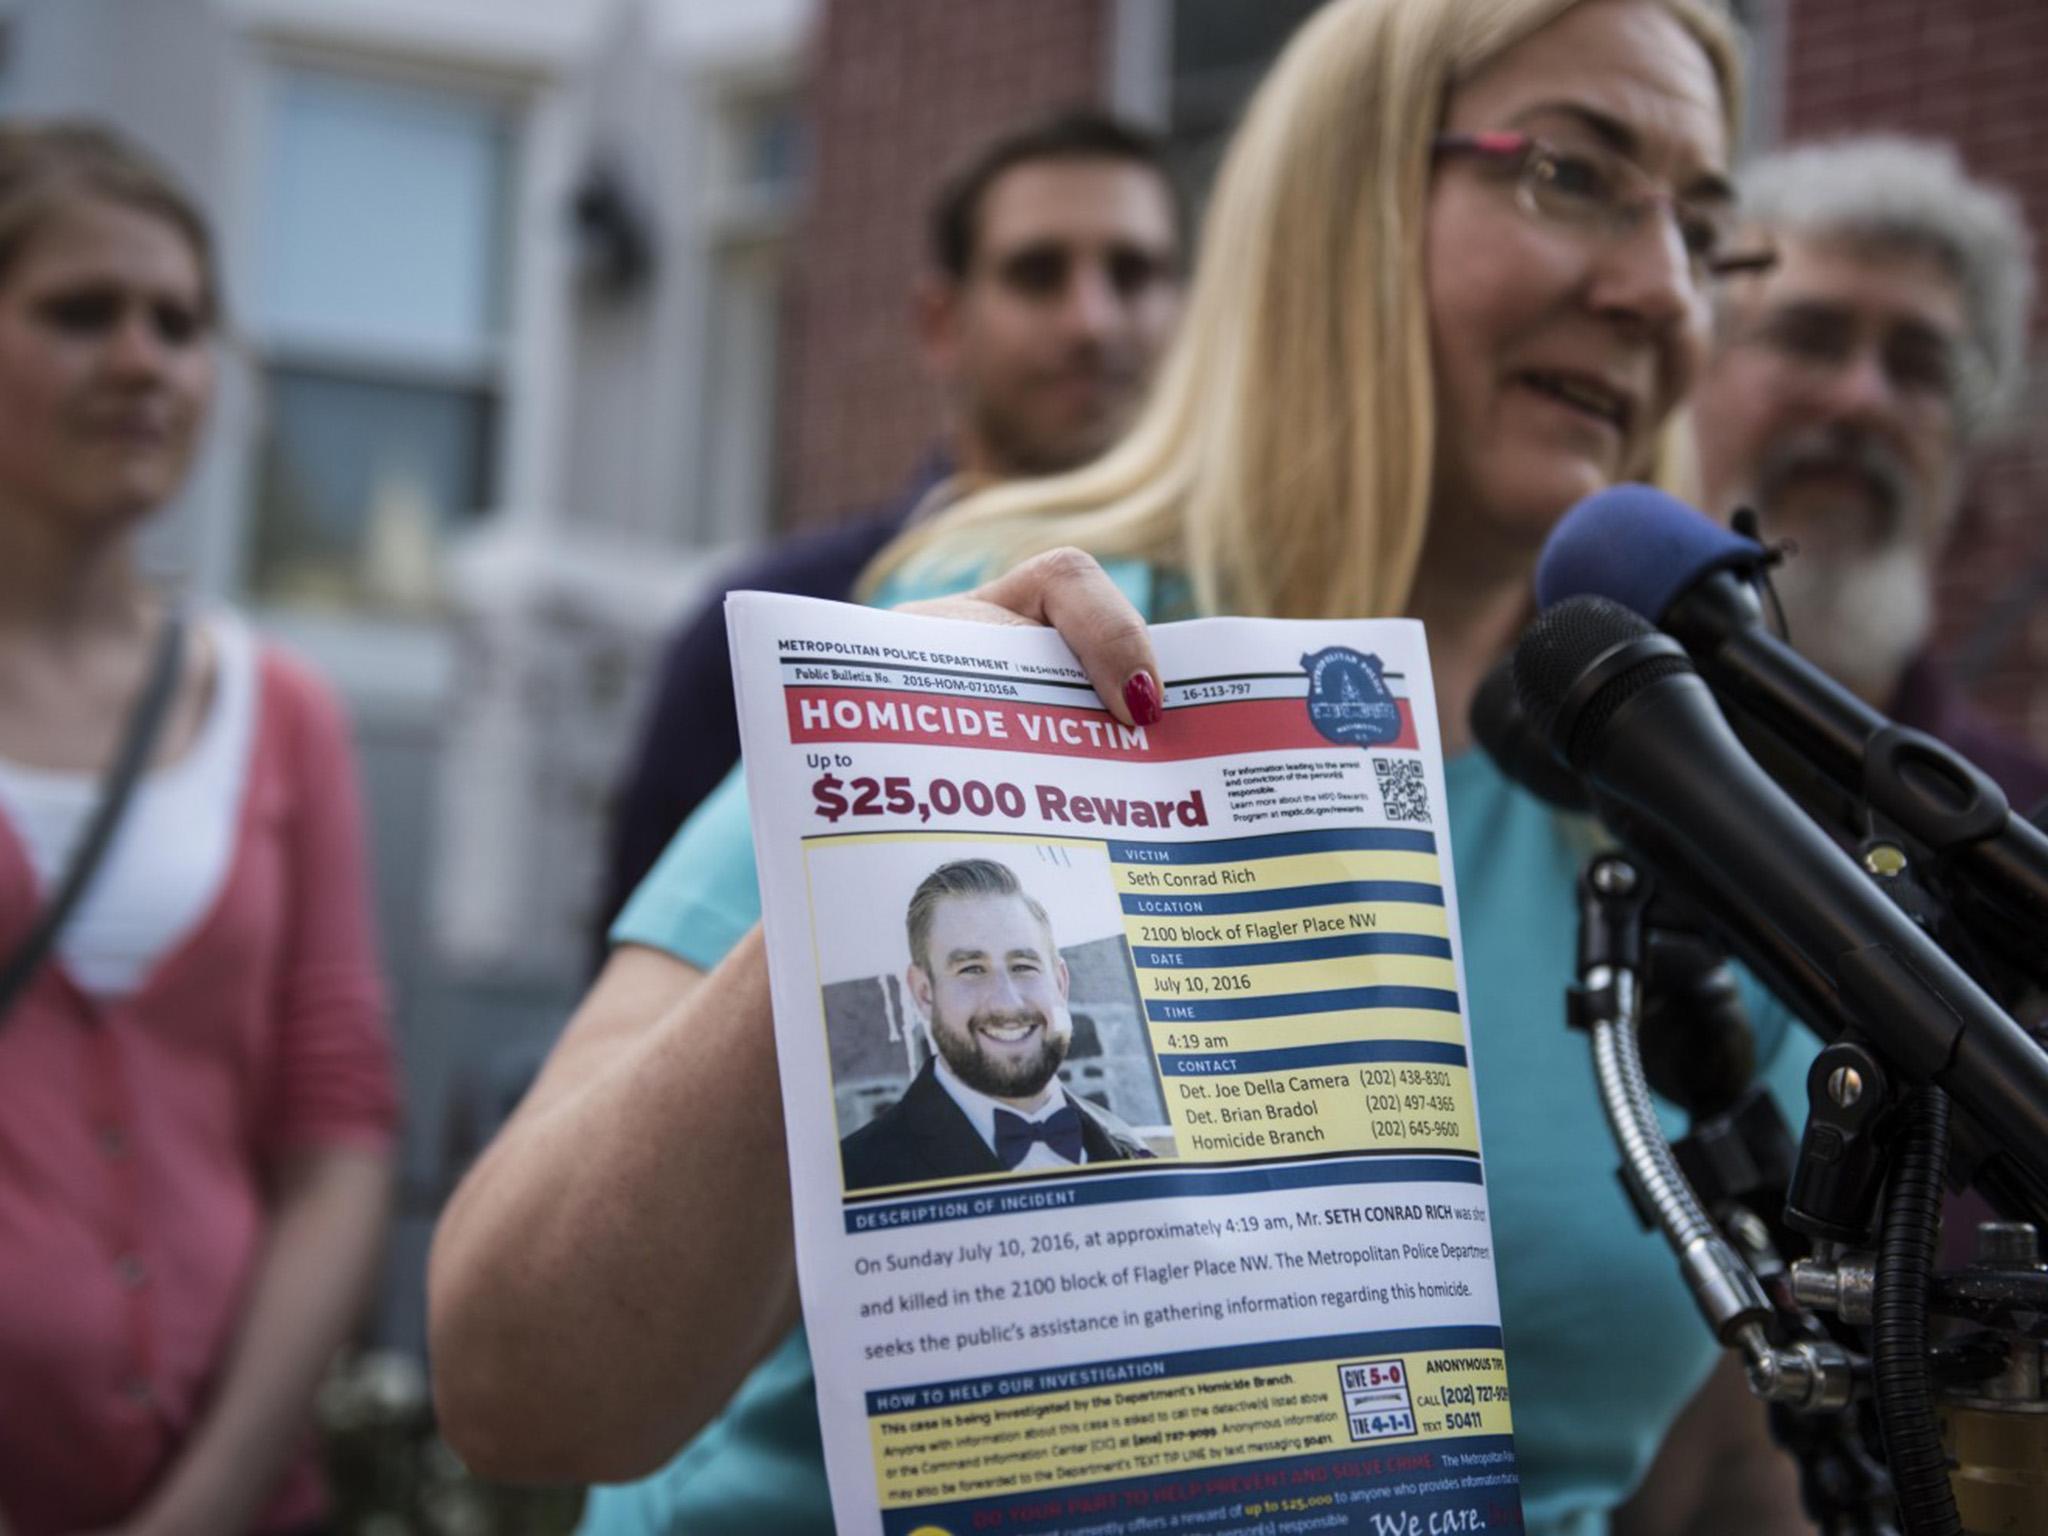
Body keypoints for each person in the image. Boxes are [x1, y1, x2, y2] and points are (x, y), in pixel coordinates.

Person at [429, 3, 1821, 1532]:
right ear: (1338, 206)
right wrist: (890, 809)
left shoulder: (1703, 806)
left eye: (1705, 228)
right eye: (1574, 173)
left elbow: (1725, 1465)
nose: (1658, 290)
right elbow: (520, 1386)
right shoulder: (1029, 632)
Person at [0, 123, 395, 1536]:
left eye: (179, 321)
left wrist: (210, 1505)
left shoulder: (280, 713)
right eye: (79, 310)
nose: (142, 359)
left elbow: (336, 1133)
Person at [594, 108, 1187, 952]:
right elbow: (629, 1026)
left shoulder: (1255, 603)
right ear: (941, 323)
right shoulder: (759, 625)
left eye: (1132, 274)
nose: (1092, 320)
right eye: (1037, 273)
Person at [1692, 135, 2046, 812]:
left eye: (1919, 365)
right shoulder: (1546, 772)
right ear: (1694, 371)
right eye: (1807, 337)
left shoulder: (2026, 840)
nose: (1862, 400)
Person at [840, 856, 1151, 1190]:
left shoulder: (1131, 1148)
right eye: (971, 969)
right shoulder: (856, 1173)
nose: (1007, 1002)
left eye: (1023, 966)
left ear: (1060, 983)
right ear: (924, 993)